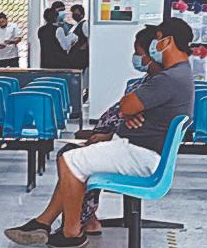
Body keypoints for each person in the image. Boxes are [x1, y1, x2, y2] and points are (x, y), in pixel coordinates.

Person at [4, 17, 195, 248]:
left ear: (168, 41)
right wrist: (130, 113)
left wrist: (130, 110)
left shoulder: (169, 78)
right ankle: (44, 223)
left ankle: (72, 233)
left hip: (141, 155)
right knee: (75, 159)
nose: (155, 46)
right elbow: (130, 109)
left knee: (70, 161)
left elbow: (126, 104)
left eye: (157, 40)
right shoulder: (181, 73)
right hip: (139, 149)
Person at [56, 24, 161, 235]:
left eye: (138, 52)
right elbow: (123, 112)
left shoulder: (157, 85)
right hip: (117, 141)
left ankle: (77, 223)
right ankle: (86, 218)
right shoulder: (146, 80)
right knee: (70, 154)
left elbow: (132, 119)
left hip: (130, 149)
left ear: (152, 53)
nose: (135, 57)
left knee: (70, 158)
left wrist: (108, 134)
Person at [67, 4, 89, 71]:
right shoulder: (76, 25)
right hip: (75, 55)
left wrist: (83, 47)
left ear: (82, 14)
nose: (74, 15)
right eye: (73, 13)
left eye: (76, 13)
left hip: (80, 56)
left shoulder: (85, 24)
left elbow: (89, 38)